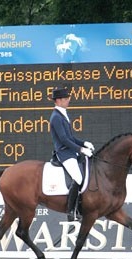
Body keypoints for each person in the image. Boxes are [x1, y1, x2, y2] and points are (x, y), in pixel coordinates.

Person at [49, 87, 95, 221]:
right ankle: (71, 212)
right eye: (64, 99)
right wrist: (80, 150)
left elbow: (70, 137)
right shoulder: (56, 117)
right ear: (57, 101)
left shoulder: (63, 114)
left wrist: (84, 143)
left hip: (71, 152)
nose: (67, 100)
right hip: (64, 153)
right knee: (79, 178)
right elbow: (63, 139)